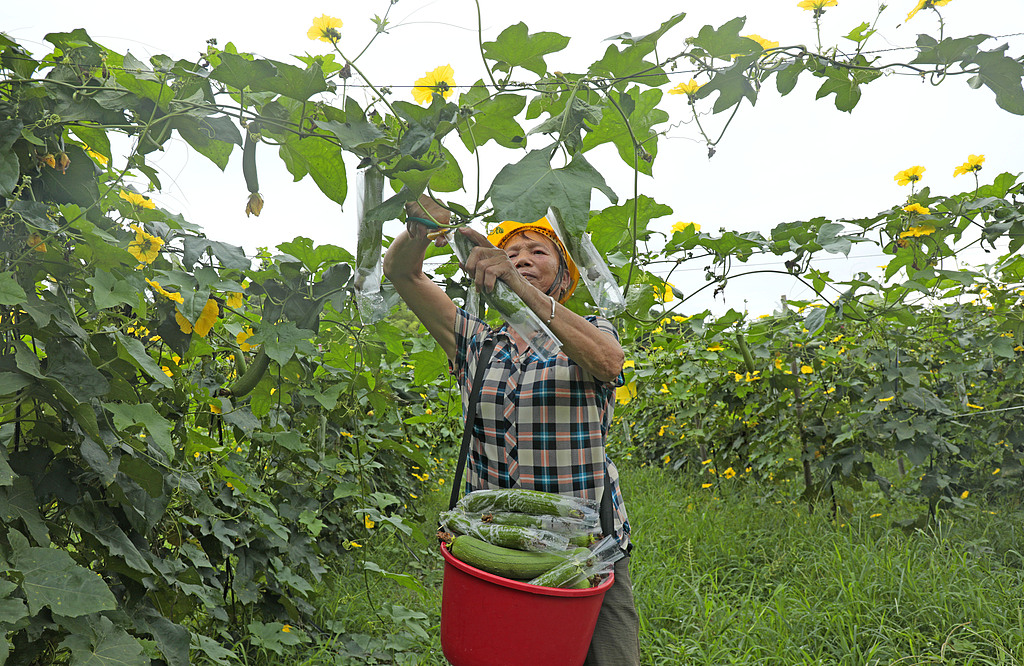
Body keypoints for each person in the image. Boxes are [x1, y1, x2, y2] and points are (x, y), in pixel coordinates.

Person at [382, 196, 640, 665]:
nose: (522, 258)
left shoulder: (590, 333)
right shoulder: (475, 342)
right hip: (495, 545)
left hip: (585, 547)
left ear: (564, 277)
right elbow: (403, 274)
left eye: (538, 251)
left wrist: (522, 290)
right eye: (512, 252)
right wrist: (419, 231)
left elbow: (609, 362)